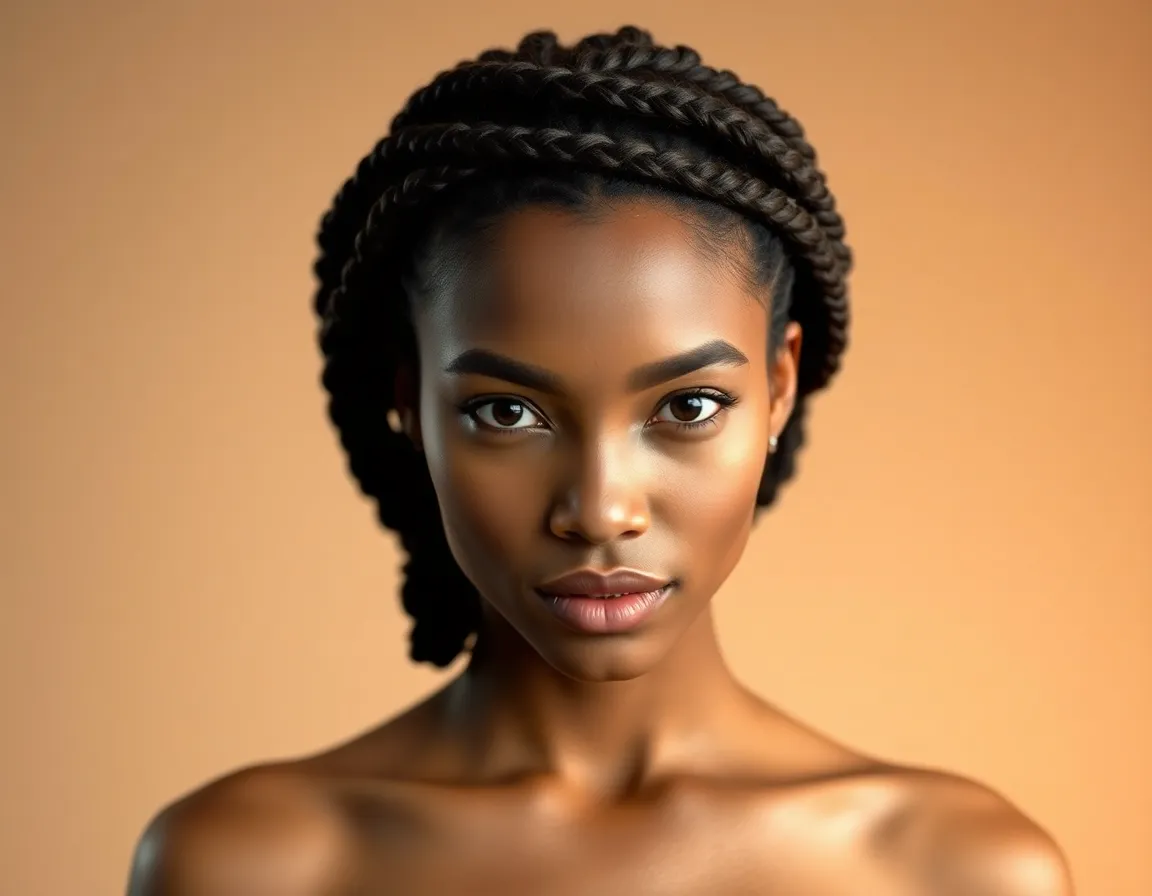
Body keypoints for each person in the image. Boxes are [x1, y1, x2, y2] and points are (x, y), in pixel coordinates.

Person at [126, 25, 1073, 895]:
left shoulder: (960, 872)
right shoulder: (249, 866)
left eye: (687, 407)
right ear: (408, 399)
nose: (600, 508)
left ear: (780, 387)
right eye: (507, 411)